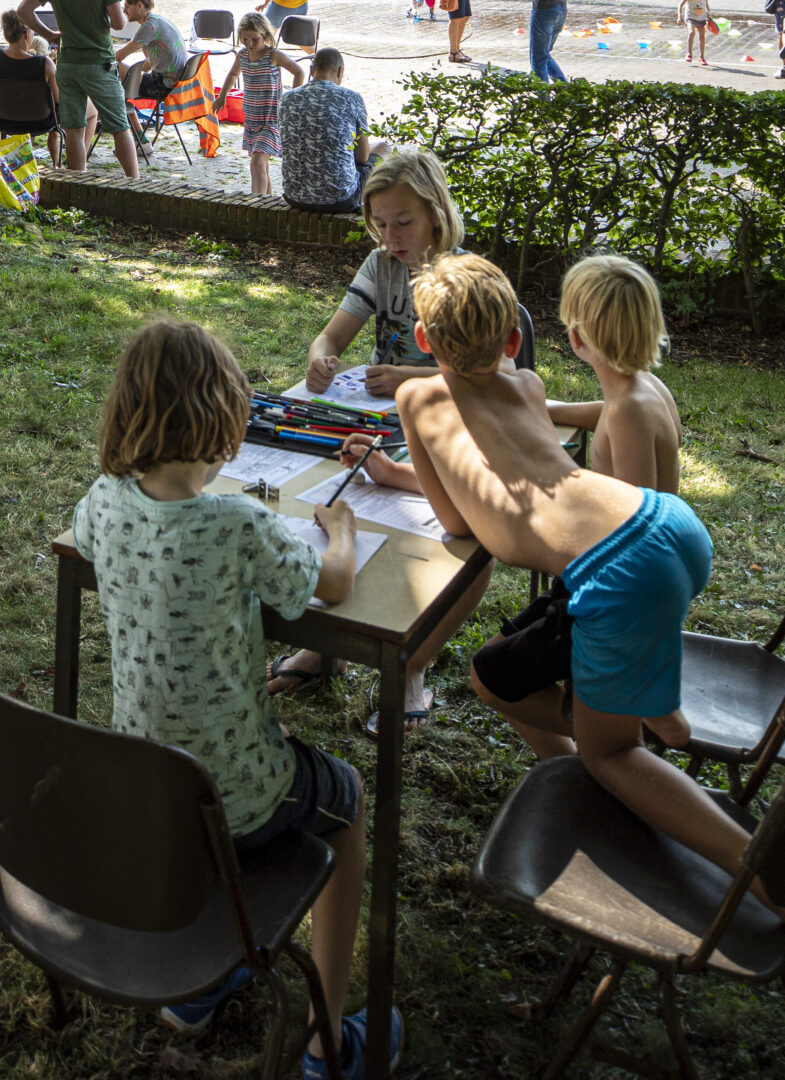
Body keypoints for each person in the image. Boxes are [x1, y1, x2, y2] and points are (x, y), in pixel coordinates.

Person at [385, 252, 785, 991]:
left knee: (614, 756)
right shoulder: (531, 381)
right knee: (501, 674)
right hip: (664, 524)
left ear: (421, 338)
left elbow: (455, 520)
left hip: (617, 575)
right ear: (515, 339)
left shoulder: (418, 401)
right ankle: (618, 756)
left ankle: (784, 895)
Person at [72, 319, 402, 1080]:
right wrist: (340, 528)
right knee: (346, 798)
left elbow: (91, 546)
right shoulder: (239, 522)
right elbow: (335, 584)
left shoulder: (103, 499)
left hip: (145, 786)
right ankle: (328, 1042)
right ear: (227, 416)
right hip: (237, 795)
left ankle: (198, 986)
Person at [268, 151, 481, 728]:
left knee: (425, 535)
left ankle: (410, 665)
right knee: (335, 505)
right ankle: (328, 649)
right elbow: (332, 335)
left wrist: (408, 378)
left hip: (443, 428)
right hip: (376, 426)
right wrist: (320, 359)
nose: (390, 238)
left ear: (437, 214)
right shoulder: (379, 264)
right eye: (379, 224)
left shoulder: (465, 278)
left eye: (403, 223)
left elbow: (486, 375)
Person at [468, 254, 685, 760]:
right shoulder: (641, 390)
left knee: (489, 678)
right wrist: (534, 407)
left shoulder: (629, 410)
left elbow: (635, 528)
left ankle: (608, 733)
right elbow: (599, 413)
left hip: (619, 603)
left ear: (576, 337)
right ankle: (590, 752)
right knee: (503, 651)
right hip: (624, 589)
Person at [16, 0, 141, 176]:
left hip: (68, 64)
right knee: (120, 127)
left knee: (73, 129)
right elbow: (119, 24)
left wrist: (49, 34)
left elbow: (23, 10)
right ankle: (134, 184)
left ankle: (78, 184)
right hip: (99, 63)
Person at [279, 47, 391, 214]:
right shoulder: (351, 98)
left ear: (311, 70)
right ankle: (378, 209)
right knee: (384, 147)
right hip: (340, 200)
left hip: (294, 196)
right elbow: (362, 157)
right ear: (340, 71)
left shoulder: (286, 98)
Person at [0, 9, 87, 166]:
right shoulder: (45, 63)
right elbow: (59, 100)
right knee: (91, 113)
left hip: (5, 120)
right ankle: (77, 163)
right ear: (27, 34)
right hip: (40, 121)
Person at [215, 13, 305, 196]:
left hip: (271, 120)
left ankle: (256, 204)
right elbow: (233, 74)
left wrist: (293, 100)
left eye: (254, 39)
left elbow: (299, 72)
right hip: (252, 119)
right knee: (261, 165)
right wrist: (222, 96)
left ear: (265, 34)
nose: (249, 43)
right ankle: (268, 204)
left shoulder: (274, 55)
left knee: (256, 162)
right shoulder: (242, 56)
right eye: (245, 39)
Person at [115, 0, 192, 104]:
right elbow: (148, 66)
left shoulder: (149, 27)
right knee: (126, 78)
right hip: (176, 83)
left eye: (127, 7)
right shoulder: (158, 20)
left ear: (139, 5)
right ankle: (129, 114)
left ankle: (108, 109)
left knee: (114, 66)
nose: (124, 11)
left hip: (165, 86)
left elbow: (118, 56)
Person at [527, 0, 568, 82]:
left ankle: (543, 93)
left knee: (538, 60)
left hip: (545, 10)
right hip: (561, 8)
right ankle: (564, 90)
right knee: (544, 55)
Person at [678, 0, 711, 65]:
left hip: (702, 19)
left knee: (702, 37)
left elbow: (707, 6)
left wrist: (709, 15)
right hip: (690, 18)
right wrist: (679, 17)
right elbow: (680, 5)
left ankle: (702, 57)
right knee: (692, 32)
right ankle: (689, 53)